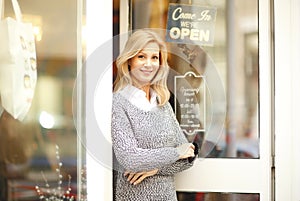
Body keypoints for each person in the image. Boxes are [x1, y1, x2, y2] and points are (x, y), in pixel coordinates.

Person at [111, 29, 197, 201]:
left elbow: (187, 158)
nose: (148, 64)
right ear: (129, 61)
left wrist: (155, 169)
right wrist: (176, 152)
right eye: (141, 57)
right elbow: (130, 158)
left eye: (154, 58)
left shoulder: (163, 103)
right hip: (134, 196)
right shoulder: (118, 102)